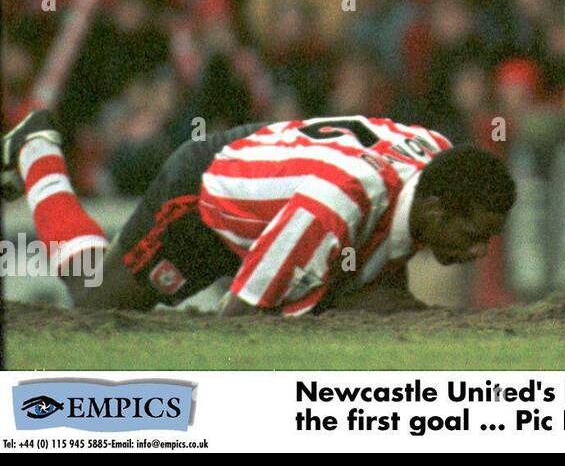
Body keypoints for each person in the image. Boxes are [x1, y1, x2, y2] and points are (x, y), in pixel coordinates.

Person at [2, 110, 515, 316]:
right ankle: (37, 150)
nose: (478, 251)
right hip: (207, 197)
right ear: (434, 207)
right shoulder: (331, 210)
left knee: (361, 297)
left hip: (283, 171)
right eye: (473, 235)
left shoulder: (441, 161)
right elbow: (238, 320)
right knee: (96, 304)